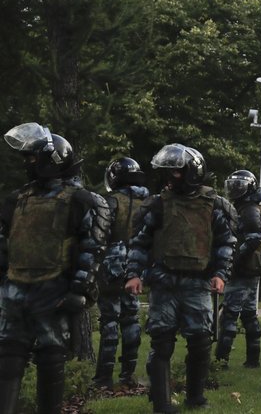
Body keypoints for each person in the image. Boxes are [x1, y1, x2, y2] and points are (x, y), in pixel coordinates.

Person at [0, 123, 110, 414]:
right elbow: (4, 244)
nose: (27, 164)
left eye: (32, 158)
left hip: (54, 291)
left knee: (50, 356)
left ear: (52, 159)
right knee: (8, 356)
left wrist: (79, 289)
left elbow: (92, 248)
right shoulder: (17, 200)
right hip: (15, 290)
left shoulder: (81, 201)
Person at [125, 143, 237, 412]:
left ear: (191, 171)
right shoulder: (158, 204)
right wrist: (133, 274)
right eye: (168, 173)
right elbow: (140, 243)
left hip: (198, 283)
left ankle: (195, 397)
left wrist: (221, 274)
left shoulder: (214, 205)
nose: (171, 177)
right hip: (164, 283)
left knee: (200, 342)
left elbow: (225, 242)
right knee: (161, 342)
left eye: (176, 172)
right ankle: (162, 402)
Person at [93, 157, 149, 389]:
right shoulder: (148, 202)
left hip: (111, 266)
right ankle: (128, 374)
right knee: (131, 319)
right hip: (137, 266)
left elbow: (98, 236)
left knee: (109, 320)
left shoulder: (109, 202)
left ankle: (104, 378)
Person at [215, 170, 261, 369]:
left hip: (244, 268)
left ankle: (221, 360)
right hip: (250, 267)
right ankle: (252, 359)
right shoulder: (250, 206)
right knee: (248, 314)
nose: (235, 189)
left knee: (230, 314)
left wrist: (233, 260)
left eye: (239, 186)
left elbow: (254, 239)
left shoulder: (249, 209)